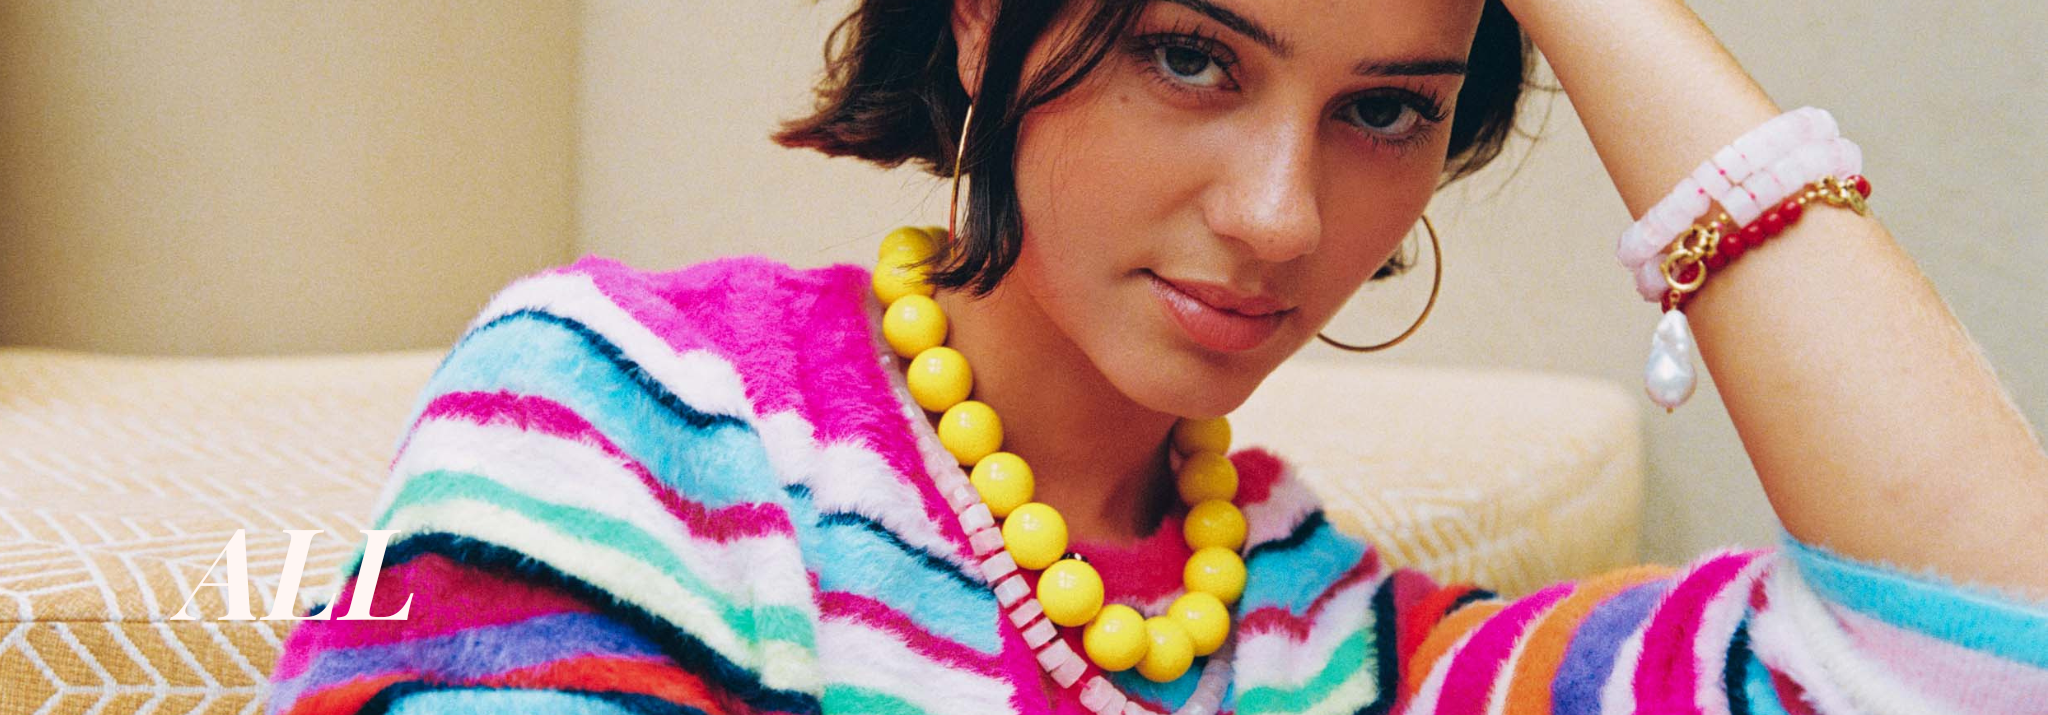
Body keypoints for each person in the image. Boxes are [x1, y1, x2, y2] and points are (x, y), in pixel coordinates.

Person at [265, 0, 2048, 713]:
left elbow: (1975, 655)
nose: (1280, 216)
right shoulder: (623, 410)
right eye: (1193, 56)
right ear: (983, 20)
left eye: (1385, 108)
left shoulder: (1340, 642)